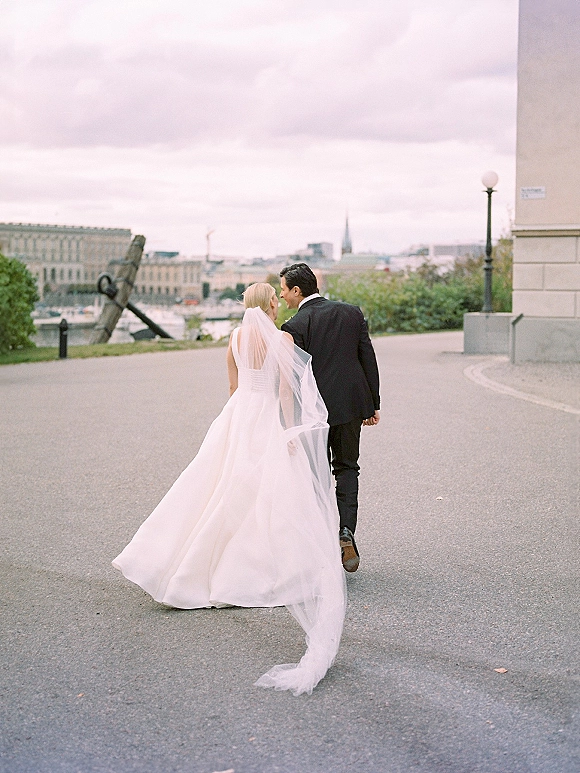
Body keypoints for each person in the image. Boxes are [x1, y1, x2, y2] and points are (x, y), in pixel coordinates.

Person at [112, 283, 346, 696]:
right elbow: (287, 391)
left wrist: (233, 423)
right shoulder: (283, 338)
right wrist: (290, 429)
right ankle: (260, 568)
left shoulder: (235, 337)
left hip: (238, 417)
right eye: (275, 301)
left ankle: (182, 563)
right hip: (266, 417)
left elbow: (234, 388)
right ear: (272, 304)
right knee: (267, 491)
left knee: (218, 485)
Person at [280, 263, 380, 573]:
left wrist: (289, 421)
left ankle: (320, 544)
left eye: (283, 289)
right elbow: (367, 356)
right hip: (351, 404)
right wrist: (372, 403)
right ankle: (345, 531)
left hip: (314, 410)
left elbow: (292, 378)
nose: (281, 295)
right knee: (348, 468)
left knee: (317, 476)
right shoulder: (351, 312)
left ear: (297, 290)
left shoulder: (295, 325)